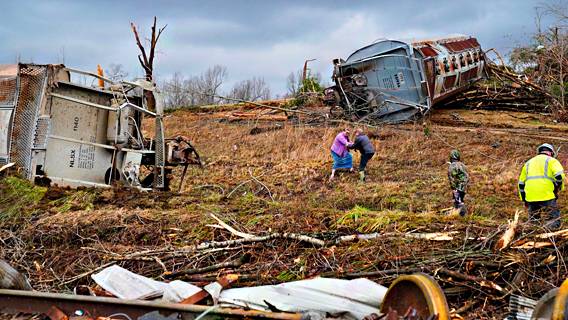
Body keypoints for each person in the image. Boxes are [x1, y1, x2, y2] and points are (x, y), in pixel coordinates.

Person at [518, 143, 565, 229]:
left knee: (533, 221)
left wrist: (524, 199)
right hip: (546, 195)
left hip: (530, 196)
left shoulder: (528, 163)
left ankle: (533, 236)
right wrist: (558, 187)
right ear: (550, 152)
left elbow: (521, 184)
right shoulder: (551, 160)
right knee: (553, 218)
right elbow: (559, 176)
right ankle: (551, 237)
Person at [448, 150, 469, 216]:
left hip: (458, 187)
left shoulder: (452, 166)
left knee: (458, 201)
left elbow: (452, 178)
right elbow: (466, 176)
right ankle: (457, 214)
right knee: (459, 200)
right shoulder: (462, 165)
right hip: (464, 186)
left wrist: (453, 188)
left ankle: (464, 216)